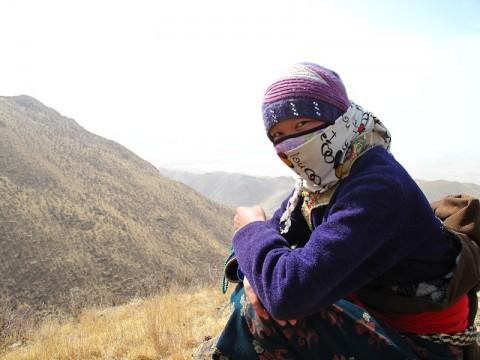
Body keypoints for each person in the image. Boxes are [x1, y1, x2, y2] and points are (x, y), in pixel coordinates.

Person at [212, 62, 479, 359]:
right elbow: (279, 235)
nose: (293, 144)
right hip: (382, 322)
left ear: (336, 117)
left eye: (301, 125)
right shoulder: (324, 179)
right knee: (256, 291)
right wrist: (253, 274)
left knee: (263, 311)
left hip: (424, 346)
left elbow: (288, 293)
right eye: (278, 136)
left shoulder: (376, 187)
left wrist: (250, 229)